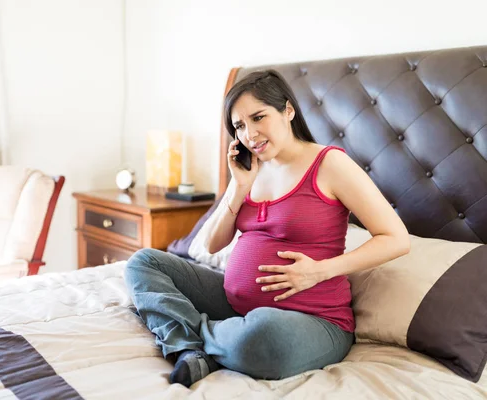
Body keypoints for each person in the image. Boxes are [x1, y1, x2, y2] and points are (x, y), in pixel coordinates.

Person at [124, 70, 411, 387]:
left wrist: (321, 270)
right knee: (143, 263)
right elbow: (212, 244)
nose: (250, 134)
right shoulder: (251, 169)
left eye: (258, 117)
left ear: (287, 110)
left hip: (313, 320)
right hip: (234, 305)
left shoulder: (330, 164)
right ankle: (196, 345)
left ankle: (188, 336)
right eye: (240, 126)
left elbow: (396, 239)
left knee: (263, 337)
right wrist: (239, 186)